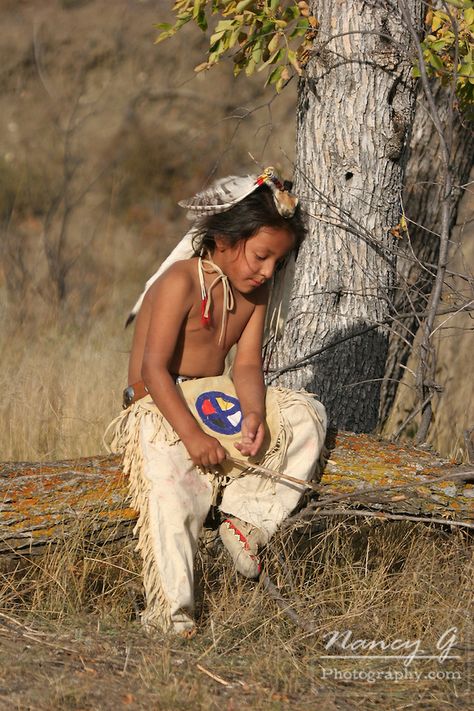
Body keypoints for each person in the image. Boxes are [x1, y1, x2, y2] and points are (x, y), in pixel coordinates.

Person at [107, 168, 327, 636]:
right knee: (171, 493)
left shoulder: (256, 292)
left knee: (305, 415)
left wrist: (252, 414)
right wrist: (190, 435)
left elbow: (246, 367)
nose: (267, 271)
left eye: (276, 262)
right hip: (159, 405)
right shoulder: (179, 282)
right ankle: (173, 614)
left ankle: (247, 520)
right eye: (262, 256)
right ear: (226, 239)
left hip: (213, 400)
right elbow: (152, 371)